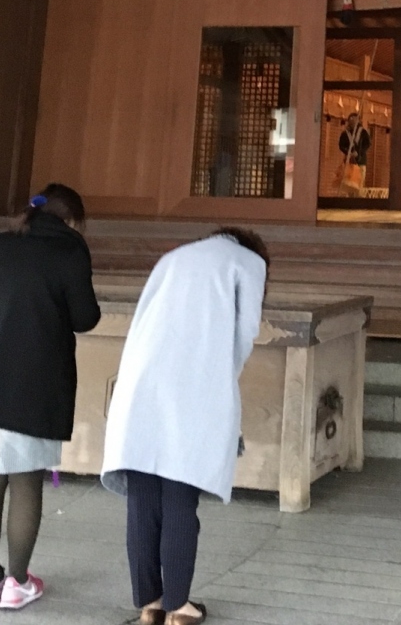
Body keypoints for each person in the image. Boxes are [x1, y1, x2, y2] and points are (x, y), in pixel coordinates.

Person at [101, 227, 268, 625]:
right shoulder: (249, 263)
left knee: (143, 499)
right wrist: (222, 379)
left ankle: (150, 605)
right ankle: (179, 607)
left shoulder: (172, 259)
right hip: (194, 388)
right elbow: (245, 332)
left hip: (140, 383)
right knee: (179, 494)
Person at [0, 183, 100, 610]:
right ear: (71, 220)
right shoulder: (70, 249)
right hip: (38, 383)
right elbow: (85, 317)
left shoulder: (0, 245)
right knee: (27, 481)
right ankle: (18, 583)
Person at [338, 113, 370, 194]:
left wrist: (359, 153)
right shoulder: (345, 133)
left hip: (361, 162)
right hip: (349, 162)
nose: (352, 121)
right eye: (351, 120)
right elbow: (341, 146)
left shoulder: (363, 132)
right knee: (348, 185)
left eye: (354, 119)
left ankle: (358, 198)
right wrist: (349, 152)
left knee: (359, 185)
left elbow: (367, 144)